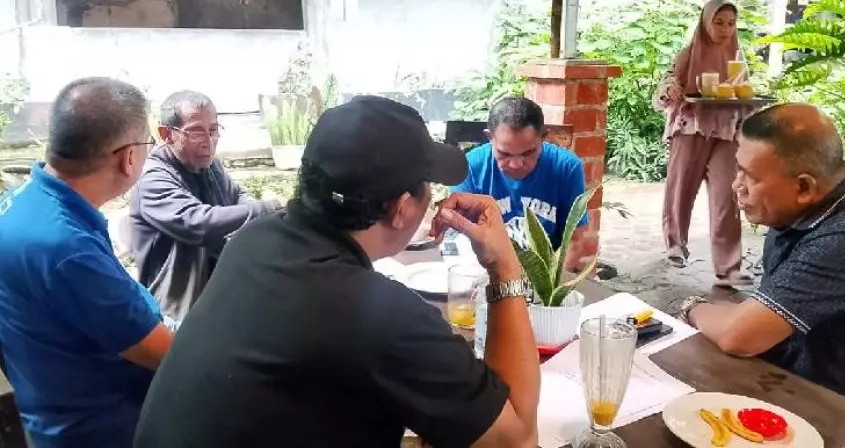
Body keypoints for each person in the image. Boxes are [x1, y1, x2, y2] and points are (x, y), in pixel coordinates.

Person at [134, 96, 540, 447]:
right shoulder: (380, 315)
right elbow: (516, 439)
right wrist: (503, 264)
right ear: (401, 209)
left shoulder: (254, 241)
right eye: (427, 185)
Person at [0, 78, 175, 448]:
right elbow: (169, 356)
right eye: (148, 144)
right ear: (129, 158)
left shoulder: (24, 200)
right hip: (100, 428)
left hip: (50, 412)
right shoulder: (66, 248)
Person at [678, 103, 845, 405]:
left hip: (840, 409)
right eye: (738, 169)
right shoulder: (806, 205)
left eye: (749, 176)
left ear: (804, 187)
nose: (736, 186)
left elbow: (739, 336)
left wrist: (690, 306)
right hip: (793, 376)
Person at [129, 91, 282, 320]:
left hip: (218, 289)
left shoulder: (208, 165)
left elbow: (237, 196)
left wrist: (258, 210)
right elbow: (198, 223)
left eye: (213, 130)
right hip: (176, 308)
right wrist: (269, 208)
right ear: (166, 134)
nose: (208, 142)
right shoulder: (153, 178)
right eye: (196, 131)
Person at [655, 0, 751, 286]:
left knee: (727, 197)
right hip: (691, 128)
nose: (725, 29)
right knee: (681, 189)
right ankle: (675, 244)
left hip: (726, 132)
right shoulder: (689, 53)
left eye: (731, 24)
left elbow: (744, 95)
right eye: (718, 22)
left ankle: (729, 268)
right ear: (706, 22)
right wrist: (671, 89)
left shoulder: (737, 57)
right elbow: (665, 87)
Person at [452, 96, 588, 266]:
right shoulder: (470, 167)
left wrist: (551, 281)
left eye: (528, 153)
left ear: (543, 137)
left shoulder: (566, 167)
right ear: (490, 137)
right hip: (487, 269)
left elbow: (576, 241)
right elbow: (463, 237)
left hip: (547, 274)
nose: (516, 165)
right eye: (504, 154)